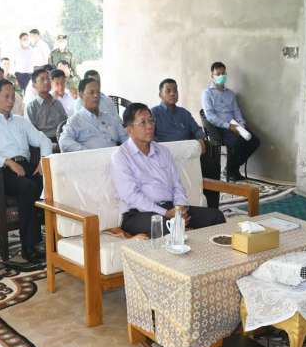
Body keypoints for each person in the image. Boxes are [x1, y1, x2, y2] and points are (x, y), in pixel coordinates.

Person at [111, 103, 225, 236]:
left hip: (170, 208)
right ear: (129, 129)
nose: (149, 126)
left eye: (151, 121)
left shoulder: (163, 151)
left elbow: (177, 185)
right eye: (143, 122)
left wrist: (179, 209)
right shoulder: (121, 156)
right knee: (167, 227)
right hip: (138, 214)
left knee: (216, 216)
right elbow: (132, 196)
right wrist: (165, 213)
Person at [0, 78, 53, 262]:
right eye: (6, 96)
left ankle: (58, 238)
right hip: (2, 172)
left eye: (13, 97)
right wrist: (7, 162)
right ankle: (29, 246)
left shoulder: (21, 121)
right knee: (28, 187)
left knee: (52, 182)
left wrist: (43, 161)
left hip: (26, 166)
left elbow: (44, 140)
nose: (11, 101)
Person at [152, 78, 220, 208]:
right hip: (167, 154)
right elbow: (150, 136)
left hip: (188, 154)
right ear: (160, 95)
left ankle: (212, 205)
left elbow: (197, 130)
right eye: (168, 91)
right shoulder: (154, 113)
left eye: (175, 90)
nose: (173, 93)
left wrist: (200, 139)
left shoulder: (184, 113)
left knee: (211, 160)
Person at [200, 62, 260, 182]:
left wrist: (241, 125)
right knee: (238, 142)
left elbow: (236, 111)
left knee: (254, 141)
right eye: (218, 74)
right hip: (219, 128)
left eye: (223, 73)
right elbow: (210, 116)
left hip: (235, 125)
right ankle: (232, 171)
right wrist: (228, 126)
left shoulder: (230, 94)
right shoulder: (207, 93)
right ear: (212, 76)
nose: (221, 76)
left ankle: (231, 168)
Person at [59, 78, 127, 152]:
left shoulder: (109, 118)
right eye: (91, 92)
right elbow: (64, 142)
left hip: (115, 156)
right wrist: (86, 152)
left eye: (98, 92)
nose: (96, 95)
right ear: (81, 95)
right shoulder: (76, 120)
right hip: (91, 157)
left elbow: (125, 138)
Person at [25, 68, 68, 142]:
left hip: (61, 139)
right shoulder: (32, 107)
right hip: (42, 141)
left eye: (48, 79)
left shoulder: (57, 103)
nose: (46, 82)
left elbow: (65, 124)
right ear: (34, 85)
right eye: (42, 79)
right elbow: (31, 133)